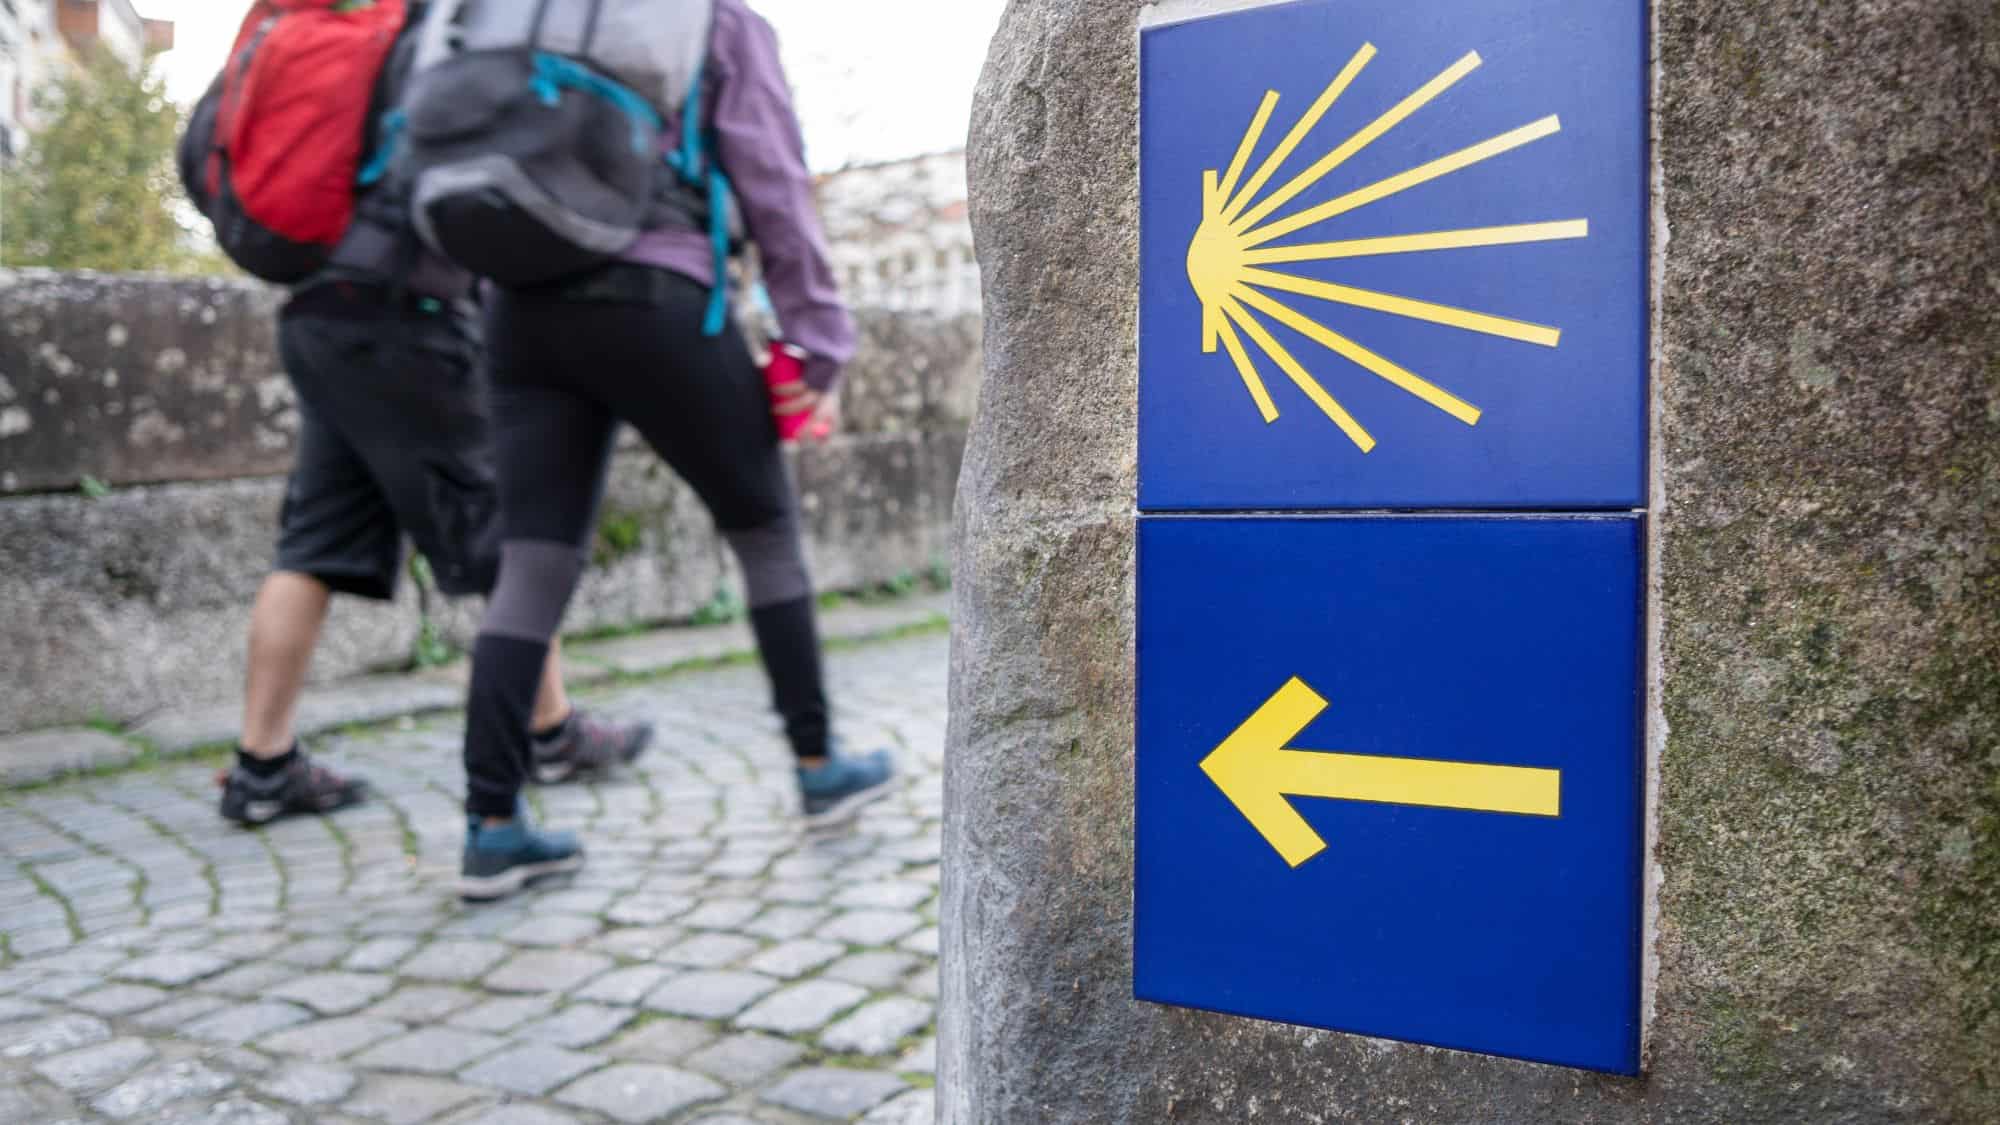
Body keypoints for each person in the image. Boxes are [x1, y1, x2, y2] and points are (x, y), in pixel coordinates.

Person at [456, 0, 894, 901]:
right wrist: (817, 334)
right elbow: (771, 176)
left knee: (532, 564)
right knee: (764, 529)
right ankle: (818, 766)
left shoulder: (515, 14)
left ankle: (492, 825)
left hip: (519, 309)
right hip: (657, 291)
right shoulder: (712, 17)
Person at [217, 0, 653, 828]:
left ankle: (261, 767)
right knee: (508, 537)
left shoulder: (330, 38)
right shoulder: (434, 36)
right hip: (404, 315)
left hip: (319, 311)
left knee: (313, 542)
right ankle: (550, 735)